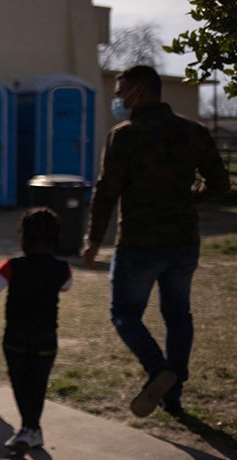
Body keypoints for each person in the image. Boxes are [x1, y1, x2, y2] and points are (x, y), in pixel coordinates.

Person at [83, 65, 230, 417]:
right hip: (184, 241)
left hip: (139, 243)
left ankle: (158, 369)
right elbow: (220, 183)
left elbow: (107, 192)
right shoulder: (193, 131)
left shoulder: (125, 135)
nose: (118, 100)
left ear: (141, 91)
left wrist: (92, 240)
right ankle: (173, 393)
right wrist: (191, 197)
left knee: (124, 313)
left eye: (121, 93)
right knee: (178, 315)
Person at [0, 208, 72, 453]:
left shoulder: (13, 266)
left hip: (16, 337)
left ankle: (28, 429)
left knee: (20, 383)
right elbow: (66, 286)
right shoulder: (62, 268)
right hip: (46, 337)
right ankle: (32, 428)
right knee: (39, 383)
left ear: (23, 238)